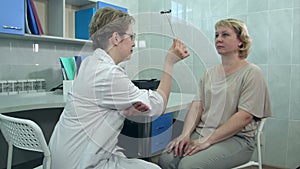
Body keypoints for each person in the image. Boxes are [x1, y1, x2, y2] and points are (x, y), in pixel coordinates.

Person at [48, 7, 189, 169]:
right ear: (116, 38)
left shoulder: (90, 64)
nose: (134, 42)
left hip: (65, 156)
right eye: (131, 36)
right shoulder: (108, 74)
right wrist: (169, 63)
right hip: (81, 163)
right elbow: (157, 105)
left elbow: (107, 101)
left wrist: (126, 105)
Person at [158, 18, 272, 169]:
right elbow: (197, 106)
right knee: (166, 159)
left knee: (189, 166)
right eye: (216, 35)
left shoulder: (252, 73)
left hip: (237, 138)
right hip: (203, 132)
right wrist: (185, 134)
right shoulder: (209, 73)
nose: (218, 39)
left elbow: (244, 116)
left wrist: (208, 140)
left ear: (240, 41)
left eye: (225, 35)